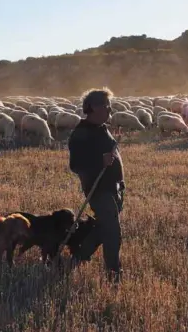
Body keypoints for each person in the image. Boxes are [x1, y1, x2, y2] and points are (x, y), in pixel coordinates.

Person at [67, 88, 125, 284]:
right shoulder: (80, 133)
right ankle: (114, 275)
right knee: (112, 232)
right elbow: (76, 164)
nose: (110, 111)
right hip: (98, 189)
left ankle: (79, 255)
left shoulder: (102, 128)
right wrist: (100, 161)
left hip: (114, 187)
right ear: (92, 107)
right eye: (106, 106)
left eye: (110, 106)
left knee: (103, 227)